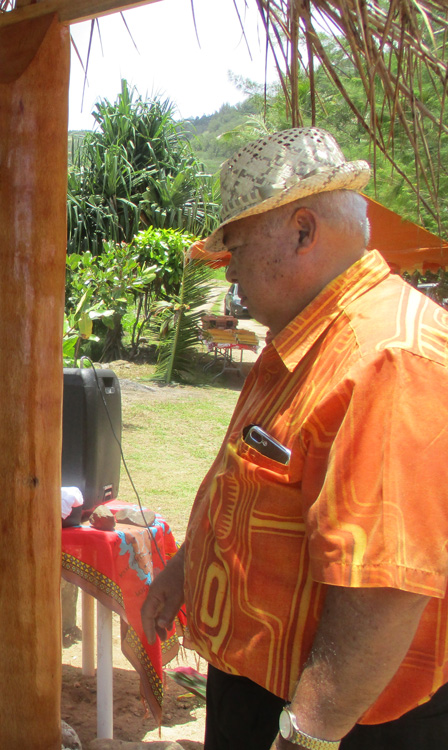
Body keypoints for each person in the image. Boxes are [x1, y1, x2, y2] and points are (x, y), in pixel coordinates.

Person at [141, 127, 448, 750]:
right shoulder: (300, 340)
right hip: (263, 691)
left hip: (342, 721)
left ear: (303, 232)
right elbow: (248, 486)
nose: (229, 272)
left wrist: (307, 734)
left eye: (238, 248)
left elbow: (385, 591)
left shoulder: (389, 358)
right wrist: (184, 569)